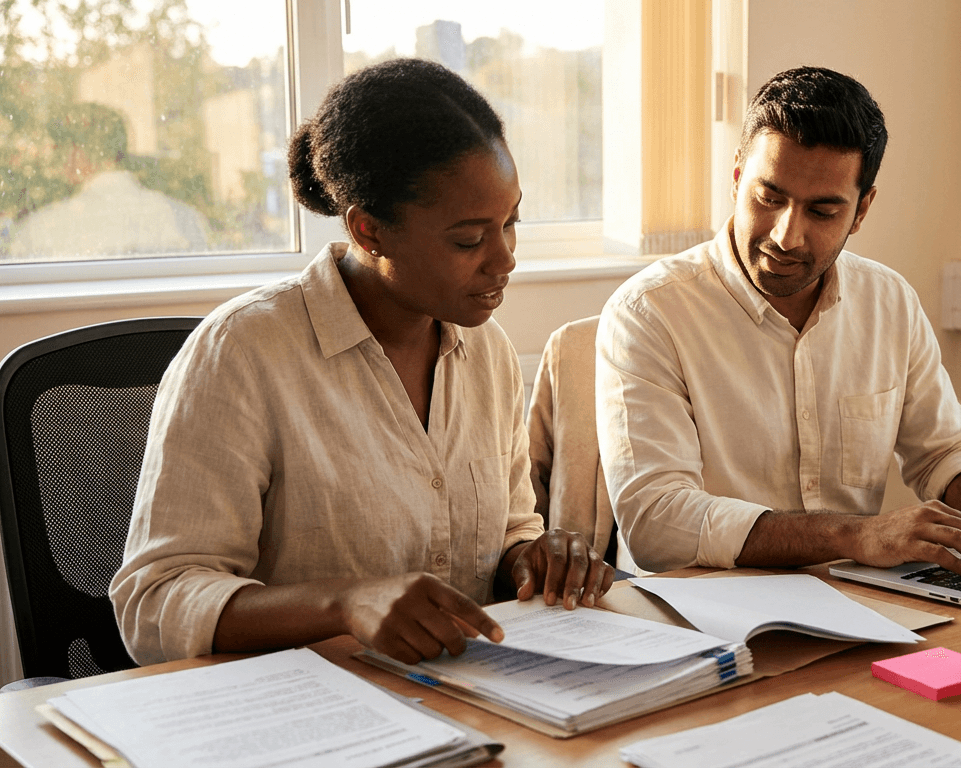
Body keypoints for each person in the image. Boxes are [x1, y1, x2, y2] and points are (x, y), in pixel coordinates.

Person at [111, 58, 614, 667]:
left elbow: (507, 529)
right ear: (370, 231)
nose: (504, 258)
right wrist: (345, 605)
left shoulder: (486, 352)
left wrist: (530, 557)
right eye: (468, 239)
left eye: (511, 222)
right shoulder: (243, 354)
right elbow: (156, 600)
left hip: (464, 699)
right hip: (305, 714)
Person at [595, 66, 961, 576]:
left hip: (860, 606)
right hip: (703, 623)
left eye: (822, 211)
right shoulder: (648, 313)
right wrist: (854, 534)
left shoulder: (889, 301)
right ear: (737, 177)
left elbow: (943, 449)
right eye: (769, 197)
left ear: (862, 210)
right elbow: (656, 523)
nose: (787, 235)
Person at [7, 103, 210, 260]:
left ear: (75, 152)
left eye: (59, 146)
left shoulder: (42, 229)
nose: (53, 154)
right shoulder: (186, 219)